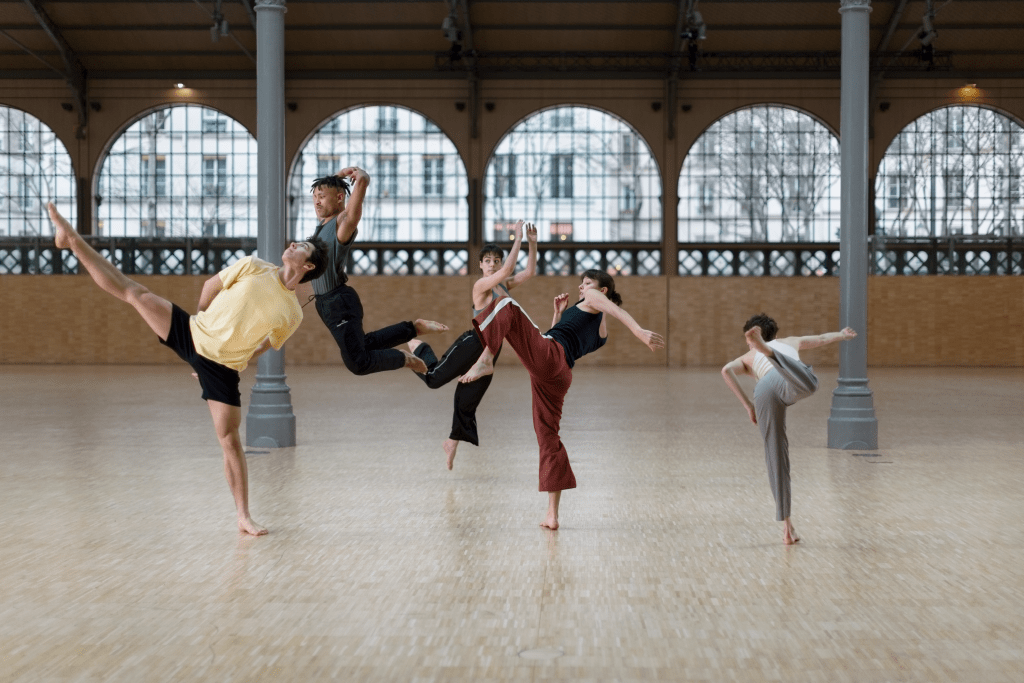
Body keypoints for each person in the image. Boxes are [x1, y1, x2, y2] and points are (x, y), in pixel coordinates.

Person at [45, 202, 329, 536]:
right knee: (133, 291)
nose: (293, 244)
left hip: (222, 368)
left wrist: (231, 354)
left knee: (229, 441)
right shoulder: (255, 265)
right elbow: (211, 286)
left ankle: (243, 516)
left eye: (302, 247)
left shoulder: (292, 313)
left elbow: (266, 343)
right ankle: (73, 240)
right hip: (193, 332)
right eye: (296, 241)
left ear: (308, 266)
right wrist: (202, 324)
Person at [460, 270, 665, 530]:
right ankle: (552, 515)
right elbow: (562, 337)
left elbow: (610, 312)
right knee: (549, 439)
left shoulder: (593, 298)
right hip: (560, 374)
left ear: (602, 291)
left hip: (551, 357)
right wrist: (558, 314)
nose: (582, 287)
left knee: (505, 304)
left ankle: (486, 360)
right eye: (582, 283)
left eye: (588, 283)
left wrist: (638, 331)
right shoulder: (602, 334)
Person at [407, 220, 538, 470]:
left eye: (496, 260)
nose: (492, 264)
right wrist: (518, 238)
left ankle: (452, 441)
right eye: (487, 260)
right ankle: (417, 345)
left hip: (491, 350)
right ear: (480, 265)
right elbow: (510, 268)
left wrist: (532, 244)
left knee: (468, 399)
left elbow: (529, 272)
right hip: (472, 342)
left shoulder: (503, 285)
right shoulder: (481, 285)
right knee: (434, 379)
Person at [720, 313, 857, 545]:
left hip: (764, 390)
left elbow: (726, 370)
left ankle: (787, 527)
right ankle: (773, 356)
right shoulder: (790, 341)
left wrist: (748, 406)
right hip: (790, 379)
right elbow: (823, 338)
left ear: (752, 339)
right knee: (810, 382)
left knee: (775, 454)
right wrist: (842, 336)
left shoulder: (748, 356)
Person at [297, 169, 447, 376]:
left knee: (359, 363)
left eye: (322, 197)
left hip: (338, 302)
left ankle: (405, 358)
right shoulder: (322, 227)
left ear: (340, 197)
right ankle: (414, 328)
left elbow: (355, 204)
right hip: (327, 304)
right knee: (363, 346)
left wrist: (362, 179)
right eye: (314, 198)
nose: (317, 202)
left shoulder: (342, 223)